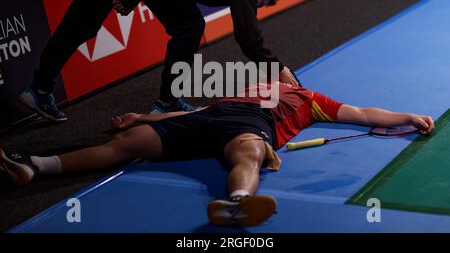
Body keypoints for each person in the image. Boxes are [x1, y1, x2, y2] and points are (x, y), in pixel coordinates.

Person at [1, 82, 434, 226]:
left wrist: (407, 115)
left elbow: (360, 113)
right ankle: (35, 166)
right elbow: (203, 111)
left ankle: (236, 205)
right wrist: (143, 117)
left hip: (245, 128)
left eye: (285, 72)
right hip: (210, 119)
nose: (280, 73)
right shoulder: (244, 89)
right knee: (122, 146)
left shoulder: (307, 98)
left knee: (248, 153)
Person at [18, 0, 300, 122]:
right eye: (258, 3)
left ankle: (39, 88)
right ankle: (169, 100)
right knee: (190, 25)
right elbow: (247, 36)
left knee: (80, 24)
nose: (252, 6)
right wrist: (279, 68)